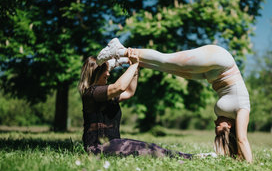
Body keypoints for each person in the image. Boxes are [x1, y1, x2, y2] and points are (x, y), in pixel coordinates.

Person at [97, 38, 253, 163]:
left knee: (165, 67)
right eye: (218, 127)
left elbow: (227, 148)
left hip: (212, 72)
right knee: (166, 60)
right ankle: (119, 49)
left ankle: (122, 60)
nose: (215, 123)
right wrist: (251, 165)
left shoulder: (228, 116)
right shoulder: (242, 109)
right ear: (230, 125)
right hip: (221, 61)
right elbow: (242, 139)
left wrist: (231, 155)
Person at [78, 50, 193, 159]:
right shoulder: (91, 92)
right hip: (98, 148)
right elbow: (120, 87)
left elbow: (129, 92)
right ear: (96, 72)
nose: (108, 74)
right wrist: (133, 65)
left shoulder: (104, 93)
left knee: (150, 146)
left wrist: (135, 68)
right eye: (105, 70)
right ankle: (186, 158)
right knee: (147, 150)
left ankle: (188, 156)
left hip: (112, 144)